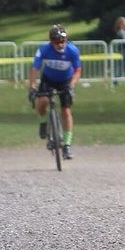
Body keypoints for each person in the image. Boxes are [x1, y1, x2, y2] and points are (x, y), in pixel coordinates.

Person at [28, 24, 82, 159]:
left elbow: (77, 70)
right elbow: (35, 68)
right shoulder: (44, 50)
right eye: (56, 42)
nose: (60, 44)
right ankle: (43, 122)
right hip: (48, 80)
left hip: (65, 81)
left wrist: (72, 85)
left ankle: (67, 145)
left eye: (62, 41)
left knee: (66, 111)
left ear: (66, 39)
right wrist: (32, 87)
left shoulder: (72, 50)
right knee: (43, 101)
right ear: (51, 41)